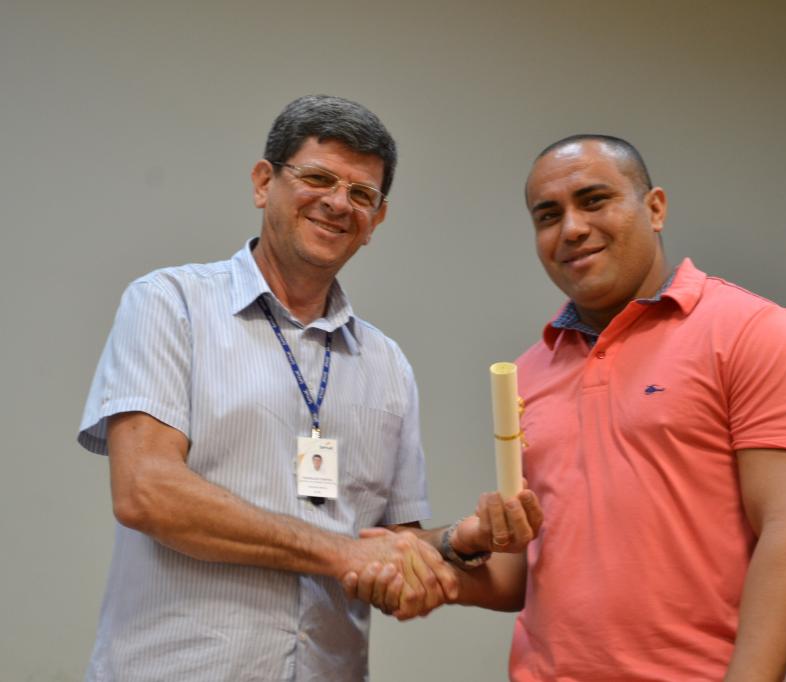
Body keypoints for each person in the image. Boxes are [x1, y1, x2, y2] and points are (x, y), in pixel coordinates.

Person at [77, 94, 539, 682]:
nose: (338, 203)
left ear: (377, 221)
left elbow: (388, 542)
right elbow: (147, 491)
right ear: (262, 183)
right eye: (318, 178)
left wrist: (454, 541)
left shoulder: (387, 365)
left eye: (362, 194)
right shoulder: (171, 304)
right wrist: (342, 553)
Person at [351, 134, 786, 681]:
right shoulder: (529, 372)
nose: (572, 228)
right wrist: (438, 573)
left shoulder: (752, 333)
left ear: (655, 208)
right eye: (548, 215)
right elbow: (527, 573)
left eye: (594, 200)